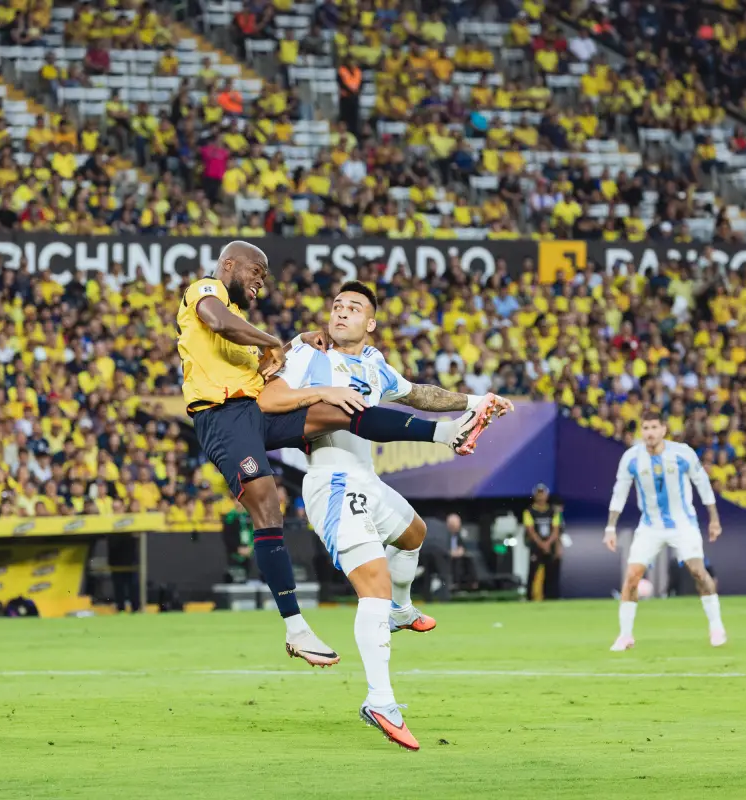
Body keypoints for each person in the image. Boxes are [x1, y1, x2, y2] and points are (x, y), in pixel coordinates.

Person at [177, 242, 497, 668]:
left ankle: (446, 436)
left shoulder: (353, 357)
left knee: (342, 409)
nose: (260, 282)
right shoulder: (206, 291)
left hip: (254, 412)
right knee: (267, 503)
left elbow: (416, 392)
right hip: (223, 415)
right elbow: (219, 322)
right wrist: (278, 342)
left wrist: (289, 342)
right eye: (256, 272)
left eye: (265, 277)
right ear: (229, 265)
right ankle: (296, 628)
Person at [258, 280, 511, 750]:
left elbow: (417, 394)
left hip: (368, 479)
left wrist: (476, 401)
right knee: (370, 584)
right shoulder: (310, 357)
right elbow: (268, 401)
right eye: (337, 306)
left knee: (414, 533)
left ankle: (399, 609)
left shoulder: (373, 364)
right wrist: (319, 392)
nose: (341, 312)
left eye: (353, 308)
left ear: (370, 323)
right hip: (332, 480)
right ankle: (380, 699)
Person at [604, 410, 726, 651]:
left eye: (653, 428)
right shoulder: (631, 458)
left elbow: (703, 484)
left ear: (663, 430)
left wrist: (714, 519)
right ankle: (625, 635)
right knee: (631, 577)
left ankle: (716, 627)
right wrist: (610, 527)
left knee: (699, 573)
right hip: (650, 526)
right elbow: (619, 493)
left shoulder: (682, 454)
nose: (649, 433)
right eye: (645, 428)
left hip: (683, 524)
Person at [523, 484, 563, 601]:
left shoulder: (553, 512)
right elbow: (530, 530)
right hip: (536, 546)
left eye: (543, 494)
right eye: (538, 494)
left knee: (551, 573)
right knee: (533, 573)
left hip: (549, 546)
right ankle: (530, 598)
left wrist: (548, 543)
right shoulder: (529, 512)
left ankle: (550, 598)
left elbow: (556, 530)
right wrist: (541, 544)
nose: (541, 497)